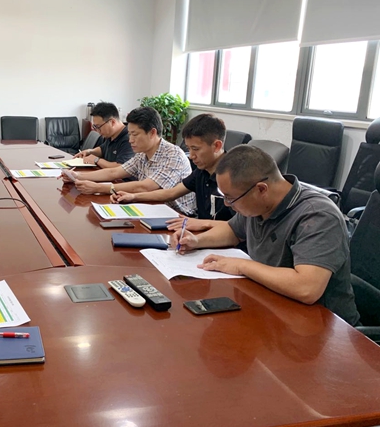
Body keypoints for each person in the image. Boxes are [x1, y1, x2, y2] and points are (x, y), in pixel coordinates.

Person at [171, 144, 360, 326]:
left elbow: (307, 288)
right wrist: (196, 240)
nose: (227, 204)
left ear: (261, 189)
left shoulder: (317, 216)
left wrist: (241, 265)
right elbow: (232, 230)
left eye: (230, 198)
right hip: (271, 306)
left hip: (322, 326)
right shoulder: (258, 205)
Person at [61, 106, 195, 214]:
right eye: (129, 134)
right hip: (149, 208)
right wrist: (77, 175)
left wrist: (99, 188)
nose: (130, 140)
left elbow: (145, 187)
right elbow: (114, 172)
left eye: (135, 134)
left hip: (177, 216)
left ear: (152, 133)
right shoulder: (142, 154)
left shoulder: (173, 155)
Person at [112, 113, 232, 229]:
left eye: (195, 149)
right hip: (200, 232)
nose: (191, 156)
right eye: (189, 149)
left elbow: (237, 227)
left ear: (216, 146)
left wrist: (200, 223)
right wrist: (133, 196)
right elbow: (171, 193)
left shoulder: (233, 175)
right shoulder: (202, 171)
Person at [73, 102, 134, 168]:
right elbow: (102, 149)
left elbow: (121, 168)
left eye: (98, 126)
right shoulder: (110, 135)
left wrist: (96, 160)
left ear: (112, 122)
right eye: (95, 127)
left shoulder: (129, 139)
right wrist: (89, 152)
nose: (97, 131)